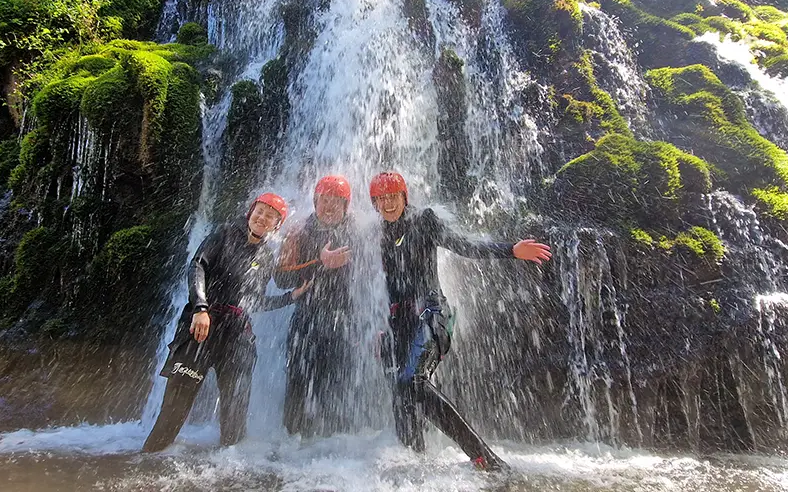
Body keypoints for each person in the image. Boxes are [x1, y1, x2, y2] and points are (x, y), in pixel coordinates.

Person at [368, 171, 552, 472]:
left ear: (404, 197)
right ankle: (414, 460)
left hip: (431, 315)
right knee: (400, 392)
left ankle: (484, 458)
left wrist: (511, 251)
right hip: (397, 323)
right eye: (381, 199)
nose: (388, 203)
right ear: (375, 203)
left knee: (411, 381)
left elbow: (462, 245)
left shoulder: (424, 220)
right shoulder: (378, 233)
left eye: (393, 196)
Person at [142, 192, 310, 452]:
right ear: (251, 212)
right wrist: (200, 308)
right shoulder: (225, 233)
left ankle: (226, 469)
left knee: (235, 417)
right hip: (202, 326)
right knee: (174, 411)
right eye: (260, 211)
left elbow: (254, 301)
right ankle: (149, 461)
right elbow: (197, 265)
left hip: (237, 334)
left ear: (277, 225)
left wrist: (290, 296)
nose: (263, 218)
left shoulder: (265, 256)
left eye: (271, 216)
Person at [274, 175, 356, 436]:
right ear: (315, 202)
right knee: (297, 380)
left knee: (337, 384)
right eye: (324, 200)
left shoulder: (356, 231)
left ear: (346, 205)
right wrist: (318, 262)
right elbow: (280, 279)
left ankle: (332, 447)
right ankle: (292, 441)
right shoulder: (300, 231)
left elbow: (375, 272)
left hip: (343, 319)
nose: (329, 206)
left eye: (336, 201)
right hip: (306, 317)